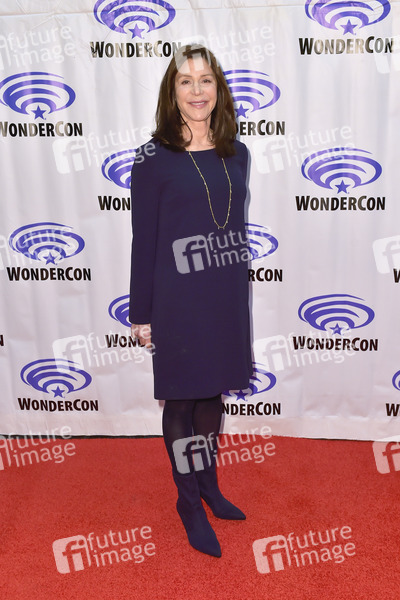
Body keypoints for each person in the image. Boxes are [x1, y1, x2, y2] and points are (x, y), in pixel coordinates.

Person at [129, 44, 252, 558]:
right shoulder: (152, 158)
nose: (197, 90)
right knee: (181, 400)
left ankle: (208, 487)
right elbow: (144, 239)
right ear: (172, 90)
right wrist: (141, 313)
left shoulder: (236, 151)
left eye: (205, 80)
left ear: (218, 88)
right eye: (186, 81)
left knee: (211, 397)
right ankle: (188, 503)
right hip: (177, 298)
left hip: (224, 294)